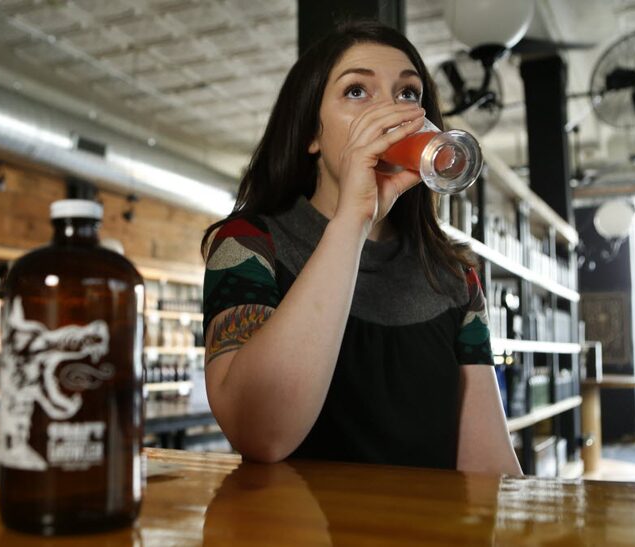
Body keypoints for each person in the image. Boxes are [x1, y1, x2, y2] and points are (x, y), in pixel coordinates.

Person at [201, 19, 522, 475]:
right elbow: (261, 433)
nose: (393, 111)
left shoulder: (454, 275)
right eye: (356, 91)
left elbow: (490, 467)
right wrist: (354, 218)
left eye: (408, 93)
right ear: (312, 134)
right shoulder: (248, 246)